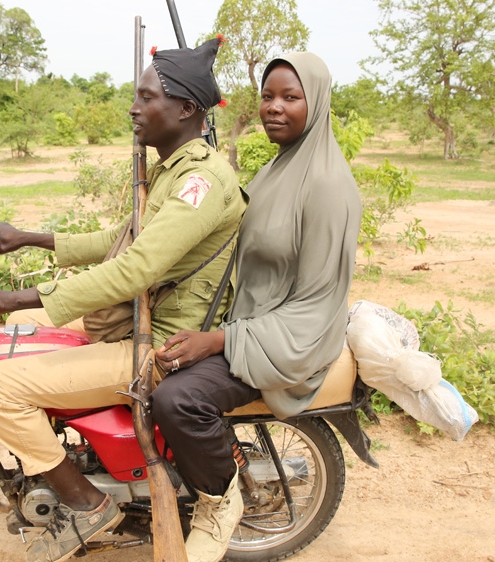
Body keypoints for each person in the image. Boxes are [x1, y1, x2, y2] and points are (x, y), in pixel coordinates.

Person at [0, 37, 247, 562]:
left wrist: (15, 298)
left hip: (159, 342)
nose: (133, 108)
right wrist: (29, 238)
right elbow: (120, 239)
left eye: (146, 97)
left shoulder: (199, 181)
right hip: (133, 322)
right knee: (19, 346)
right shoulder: (173, 169)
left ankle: (87, 506)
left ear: (185, 109)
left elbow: (136, 269)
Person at [151, 52, 363, 562]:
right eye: (268, 96)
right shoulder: (274, 170)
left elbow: (314, 303)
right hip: (247, 324)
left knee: (178, 400)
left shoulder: (328, 187)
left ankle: (218, 504)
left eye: (291, 97)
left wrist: (218, 340)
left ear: (318, 102)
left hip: (290, 339)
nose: (274, 107)